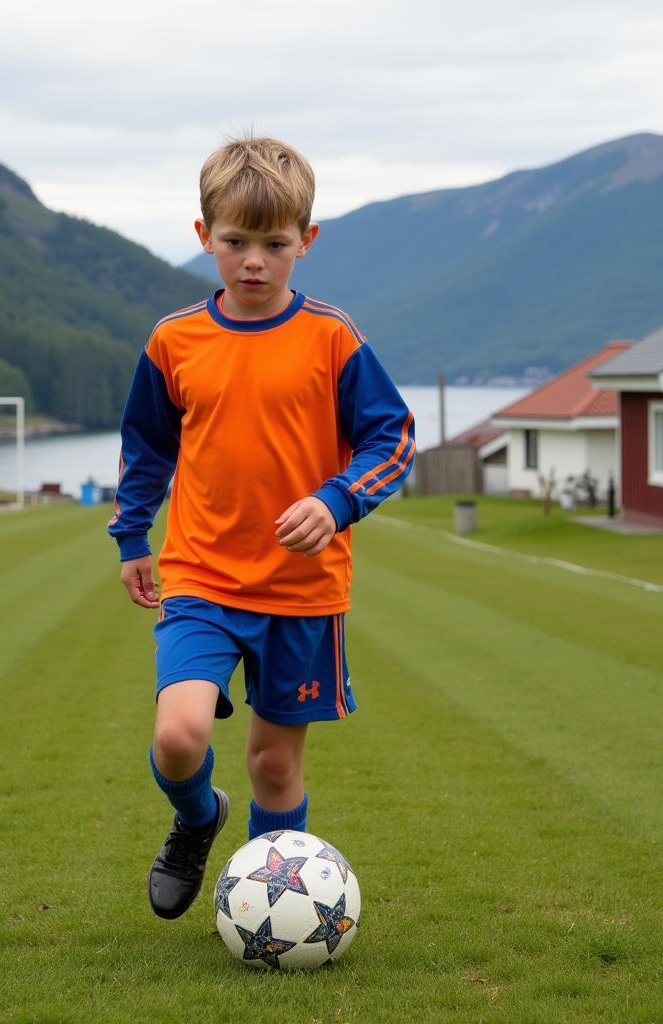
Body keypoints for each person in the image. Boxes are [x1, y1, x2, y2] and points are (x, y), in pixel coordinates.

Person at [108, 136, 415, 920]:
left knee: (274, 766)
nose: (253, 261)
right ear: (203, 233)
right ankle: (197, 817)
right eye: (235, 242)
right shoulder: (174, 340)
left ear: (305, 242)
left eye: (274, 245)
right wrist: (133, 538)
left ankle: (266, 913)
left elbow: (393, 437)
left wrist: (337, 499)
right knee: (179, 736)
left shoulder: (333, 337)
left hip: (302, 593)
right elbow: (147, 444)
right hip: (203, 579)